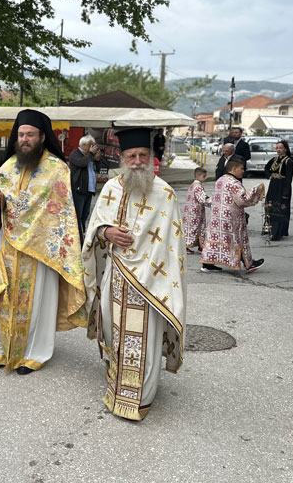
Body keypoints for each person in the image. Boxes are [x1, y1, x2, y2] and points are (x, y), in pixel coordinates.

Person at [81, 127, 186, 421]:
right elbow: (94, 228)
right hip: (116, 276)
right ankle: (117, 387)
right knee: (114, 333)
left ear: (150, 157)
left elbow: (173, 245)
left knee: (145, 340)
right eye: (132, 156)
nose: (137, 161)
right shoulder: (111, 189)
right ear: (123, 159)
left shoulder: (165, 193)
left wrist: (154, 276)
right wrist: (107, 232)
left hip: (150, 282)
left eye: (142, 155)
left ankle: (141, 398)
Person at [0, 109, 87, 374]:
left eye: (30, 135)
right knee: (2, 295)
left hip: (39, 249)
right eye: (21, 135)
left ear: (42, 137)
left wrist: (13, 209)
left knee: (37, 301)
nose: (24, 139)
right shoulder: (8, 166)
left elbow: (58, 211)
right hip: (7, 245)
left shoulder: (57, 169)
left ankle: (32, 354)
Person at [200, 156, 265, 273]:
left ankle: (207, 264)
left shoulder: (220, 180)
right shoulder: (234, 183)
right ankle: (248, 263)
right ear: (234, 169)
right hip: (230, 218)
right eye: (242, 168)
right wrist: (257, 190)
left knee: (215, 240)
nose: (243, 171)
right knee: (238, 239)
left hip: (217, 217)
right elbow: (243, 200)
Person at [68, 135, 104, 238]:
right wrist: (91, 154)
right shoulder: (75, 154)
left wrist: (97, 159)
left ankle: (82, 234)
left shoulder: (89, 156)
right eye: (90, 145)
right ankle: (76, 236)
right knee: (77, 215)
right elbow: (82, 163)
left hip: (89, 190)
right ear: (83, 145)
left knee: (85, 215)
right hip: (79, 190)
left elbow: (98, 169)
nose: (92, 147)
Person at [264, 140, 293, 241]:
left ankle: (278, 232)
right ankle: (270, 229)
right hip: (273, 186)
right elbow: (266, 168)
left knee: (280, 209)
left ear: (285, 149)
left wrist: (285, 193)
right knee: (270, 206)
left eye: (280, 148)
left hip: (282, 186)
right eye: (277, 148)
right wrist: (269, 176)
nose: (278, 150)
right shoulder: (274, 160)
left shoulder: (289, 162)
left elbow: (289, 179)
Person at [183, 166, 211, 253]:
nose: (205, 178)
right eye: (204, 176)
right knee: (195, 228)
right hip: (195, 212)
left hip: (190, 210)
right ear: (197, 176)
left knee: (196, 228)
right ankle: (187, 245)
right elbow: (202, 198)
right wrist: (213, 202)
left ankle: (200, 244)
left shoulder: (192, 185)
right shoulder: (198, 187)